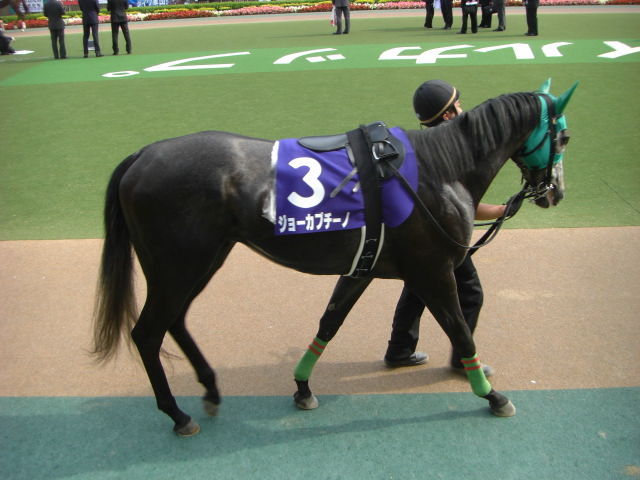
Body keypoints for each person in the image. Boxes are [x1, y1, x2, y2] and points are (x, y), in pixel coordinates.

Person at [384, 80, 522, 375]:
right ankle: (462, 359)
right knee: (470, 293)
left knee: (417, 288)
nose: (462, 108)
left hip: (415, 234)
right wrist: (501, 211)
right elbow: (461, 206)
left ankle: (399, 349)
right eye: (458, 104)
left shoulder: (425, 146)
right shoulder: (450, 153)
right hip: (439, 238)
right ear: (448, 114)